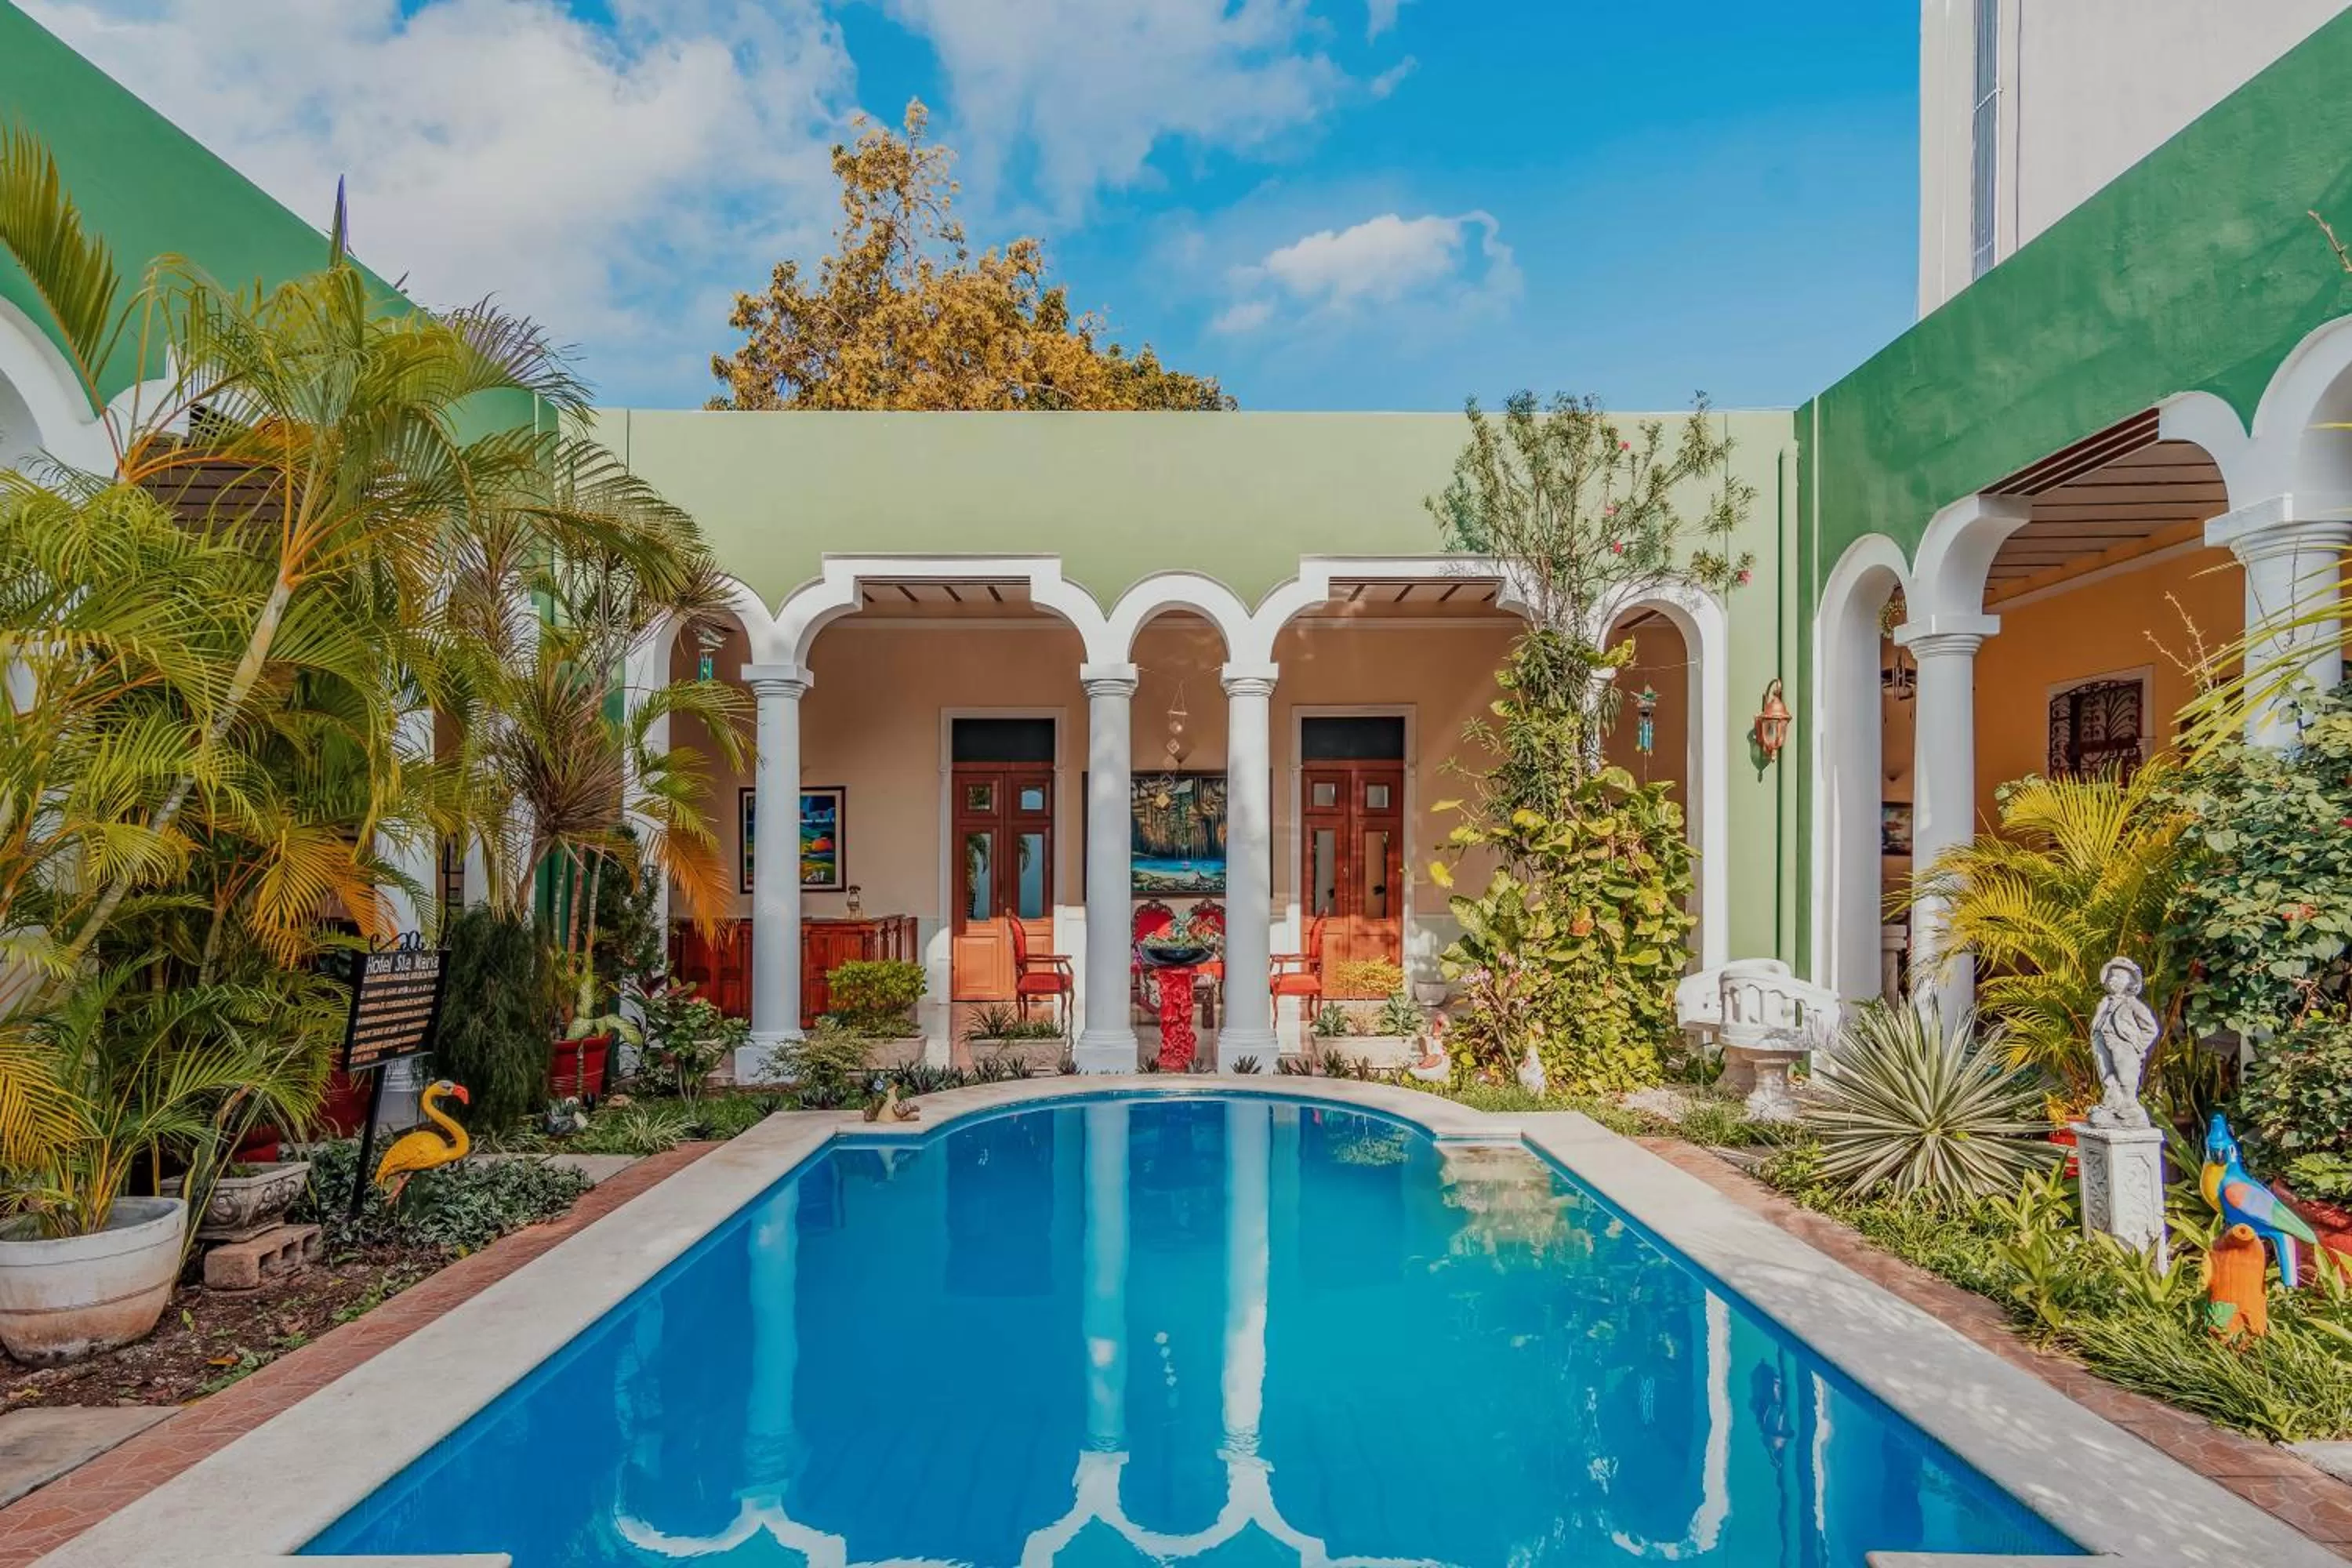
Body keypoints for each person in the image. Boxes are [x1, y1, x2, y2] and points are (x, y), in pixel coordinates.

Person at [2089, 956, 2159, 1130]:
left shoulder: (2133, 1004)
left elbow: (2151, 1028)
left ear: (2129, 983)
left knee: (2126, 1077)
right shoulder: (2104, 1003)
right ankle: (2112, 1105)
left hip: (2123, 1046)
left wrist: (2137, 1046)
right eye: (2111, 976)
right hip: (2101, 1040)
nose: (2113, 980)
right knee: (2107, 1074)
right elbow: (2098, 1021)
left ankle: (2129, 1108)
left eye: (2119, 977)